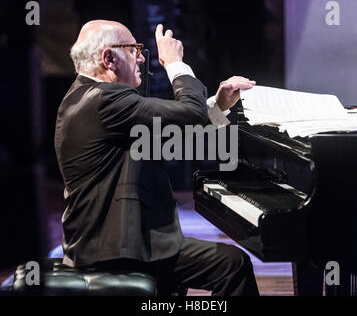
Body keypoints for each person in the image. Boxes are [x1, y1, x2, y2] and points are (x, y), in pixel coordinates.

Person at [54, 20, 259, 296]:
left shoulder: (87, 98)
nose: (140, 57)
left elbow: (171, 131)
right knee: (232, 265)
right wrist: (175, 63)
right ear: (108, 58)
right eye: (133, 49)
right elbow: (189, 113)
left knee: (225, 263)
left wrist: (218, 104)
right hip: (115, 251)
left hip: (112, 242)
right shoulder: (107, 100)